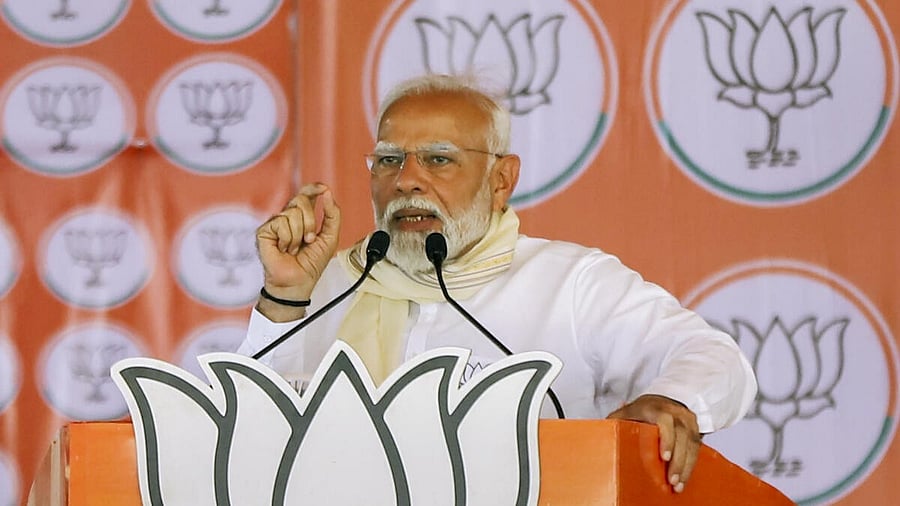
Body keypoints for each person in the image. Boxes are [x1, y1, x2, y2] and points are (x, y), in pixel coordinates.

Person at [237, 73, 756, 493]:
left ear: (501, 180)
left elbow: (709, 354)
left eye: (438, 159)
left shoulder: (569, 284)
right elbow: (248, 435)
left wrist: (673, 401)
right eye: (389, 159)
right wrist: (284, 296)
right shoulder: (331, 284)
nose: (406, 179)